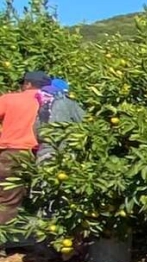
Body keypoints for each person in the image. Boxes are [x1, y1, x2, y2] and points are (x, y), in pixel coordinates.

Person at [0, 72, 48, 224]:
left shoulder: (9, 99)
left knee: (7, 200)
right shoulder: (47, 102)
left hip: (11, 152)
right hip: (38, 154)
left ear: (27, 84)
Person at [34, 79, 85, 163]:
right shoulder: (68, 103)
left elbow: (36, 128)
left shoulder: (43, 104)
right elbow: (84, 121)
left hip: (45, 151)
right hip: (65, 150)